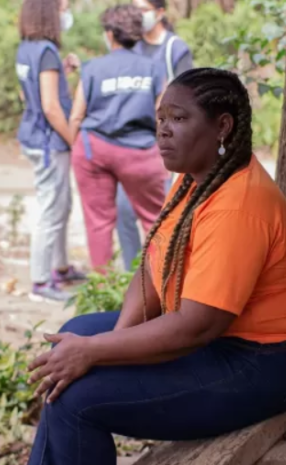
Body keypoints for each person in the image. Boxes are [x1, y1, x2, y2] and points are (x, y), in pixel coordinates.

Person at [18, 68, 286, 465]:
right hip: (222, 340)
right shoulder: (194, 179)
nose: (162, 130)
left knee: (75, 398)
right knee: (80, 329)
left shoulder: (239, 204)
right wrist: (109, 343)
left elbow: (194, 328)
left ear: (222, 126)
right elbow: (152, 269)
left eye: (178, 118)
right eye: (160, 118)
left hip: (267, 362)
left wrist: (98, 356)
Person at [68, 4, 169, 272]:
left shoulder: (92, 68)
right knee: (156, 220)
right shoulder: (154, 68)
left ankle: (103, 287)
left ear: (110, 34)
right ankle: (162, 283)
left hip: (94, 150)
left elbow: (77, 116)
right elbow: (163, 114)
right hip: (141, 153)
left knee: (98, 223)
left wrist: (76, 148)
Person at [114, 0, 194, 271]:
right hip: (132, 143)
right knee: (123, 209)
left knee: (163, 212)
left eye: (143, 9)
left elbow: (187, 99)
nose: (138, 15)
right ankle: (131, 273)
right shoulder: (131, 46)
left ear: (159, 13)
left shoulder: (175, 49)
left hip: (163, 145)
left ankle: (162, 271)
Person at [16, 0, 87, 302]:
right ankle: (41, 282)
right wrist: (75, 140)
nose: (66, 14)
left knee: (61, 204)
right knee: (50, 210)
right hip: (49, 143)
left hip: (33, 136)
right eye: (63, 7)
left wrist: (62, 71)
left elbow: (26, 93)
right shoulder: (46, 51)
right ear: (49, 12)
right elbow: (50, 107)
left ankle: (60, 267)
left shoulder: (26, 48)